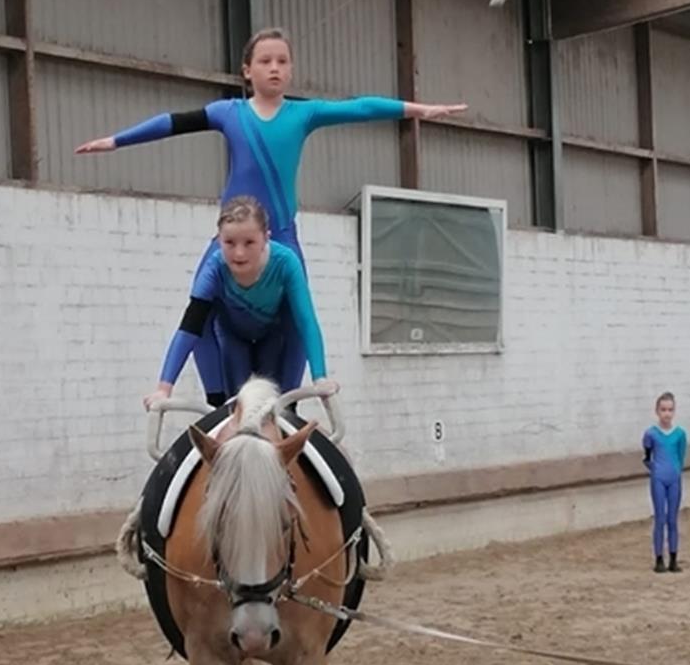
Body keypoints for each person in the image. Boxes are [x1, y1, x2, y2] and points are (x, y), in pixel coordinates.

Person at [75, 26, 468, 404]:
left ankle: (288, 405)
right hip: (233, 236)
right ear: (248, 70)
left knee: (296, 317)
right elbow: (173, 122)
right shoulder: (229, 113)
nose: (275, 68)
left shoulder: (304, 114)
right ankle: (217, 402)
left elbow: (361, 107)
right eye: (265, 61)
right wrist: (116, 141)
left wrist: (420, 110)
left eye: (282, 60)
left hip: (281, 235)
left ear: (291, 69)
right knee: (200, 314)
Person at [145, 195, 332, 408]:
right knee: (231, 406)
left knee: (279, 406)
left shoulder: (286, 262)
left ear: (266, 239)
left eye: (249, 242)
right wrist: (164, 389)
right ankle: (216, 401)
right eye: (229, 243)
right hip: (232, 336)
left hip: (274, 336)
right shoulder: (214, 268)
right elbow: (190, 328)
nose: (239, 253)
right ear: (219, 241)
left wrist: (320, 378)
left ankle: (289, 409)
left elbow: (306, 322)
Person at [642, 392, 687, 573]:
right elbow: (646, 457)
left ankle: (674, 559)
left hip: (674, 479)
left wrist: (676, 471)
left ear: (674, 411)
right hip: (658, 479)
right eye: (663, 409)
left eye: (670, 410)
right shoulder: (651, 433)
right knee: (660, 518)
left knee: (672, 520)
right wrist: (656, 470)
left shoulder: (680, 434)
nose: (667, 413)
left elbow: (681, 456)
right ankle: (659, 559)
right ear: (657, 411)